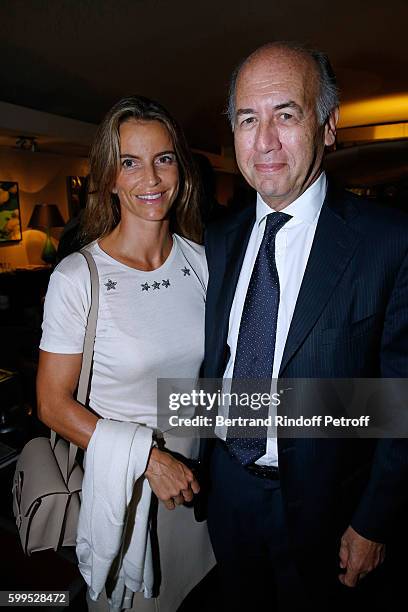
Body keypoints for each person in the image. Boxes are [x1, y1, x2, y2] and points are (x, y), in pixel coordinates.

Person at [201, 42, 408, 611]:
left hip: (331, 513)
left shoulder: (389, 242)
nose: (264, 140)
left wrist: (374, 521)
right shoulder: (220, 238)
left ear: (328, 125)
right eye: (248, 119)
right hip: (229, 491)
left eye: (285, 115)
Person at [37, 95, 214, 611]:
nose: (151, 179)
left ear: (180, 167)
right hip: (129, 496)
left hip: (198, 491)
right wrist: (148, 459)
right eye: (130, 163)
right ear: (109, 177)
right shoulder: (78, 278)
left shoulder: (202, 263)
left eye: (163, 159)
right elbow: (51, 403)